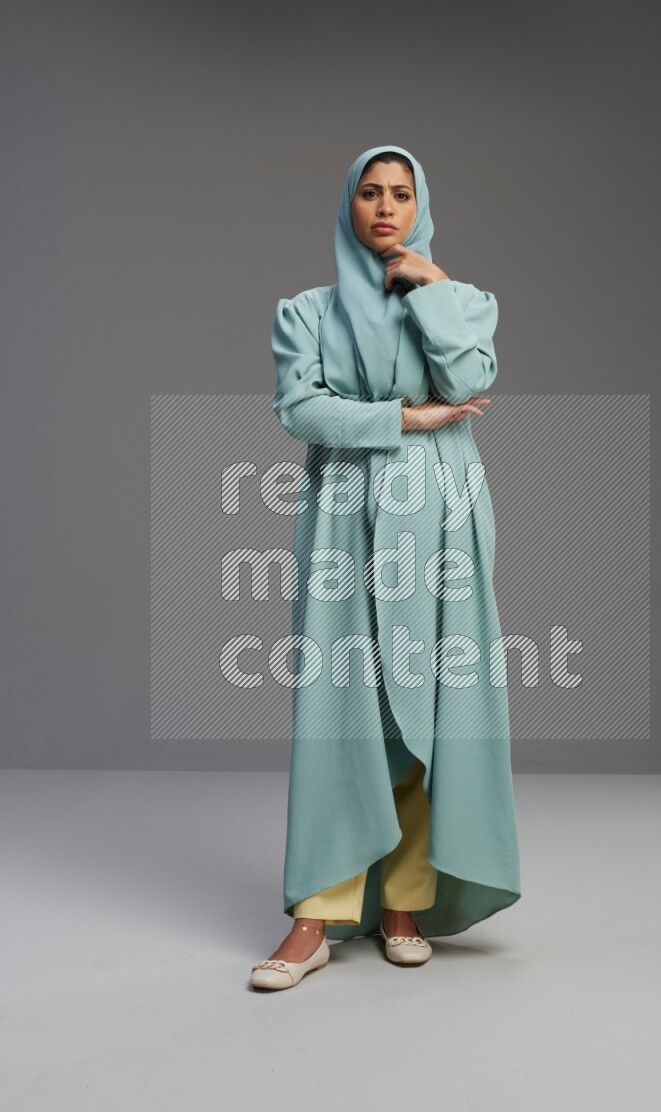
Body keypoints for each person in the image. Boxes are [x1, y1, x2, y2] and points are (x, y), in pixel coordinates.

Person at [251, 144, 521, 991]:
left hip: (442, 516)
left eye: (401, 194)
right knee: (342, 702)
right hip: (344, 517)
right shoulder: (307, 313)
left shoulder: (465, 302)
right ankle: (316, 914)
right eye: (369, 192)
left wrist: (432, 289)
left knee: (427, 702)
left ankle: (404, 899)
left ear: (420, 205)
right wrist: (410, 418)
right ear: (349, 203)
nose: (384, 207)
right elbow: (301, 408)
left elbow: (473, 374)